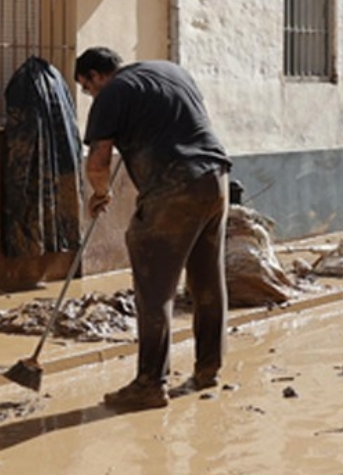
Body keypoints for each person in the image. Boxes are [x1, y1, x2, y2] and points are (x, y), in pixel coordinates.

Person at [75, 47, 232, 411]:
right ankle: (209, 368)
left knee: (154, 286)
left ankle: (150, 383)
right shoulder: (172, 72)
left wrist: (100, 193)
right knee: (208, 279)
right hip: (215, 178)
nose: (90, 95)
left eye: (87, 88)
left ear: (95, 76)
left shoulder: (111, 94)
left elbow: (98, 162)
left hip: (173, 185)